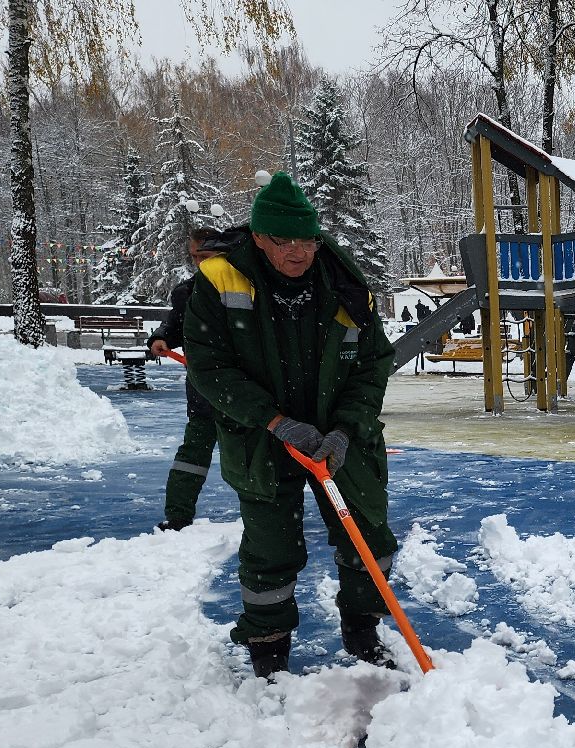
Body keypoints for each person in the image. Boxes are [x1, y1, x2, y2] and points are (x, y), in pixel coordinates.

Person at [183, 173, 399, 680]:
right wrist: (276, 423)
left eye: (307, 240)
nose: (298, 252)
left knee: (368, 535)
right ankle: (269, 651)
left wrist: (347, 429)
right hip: (262, 439)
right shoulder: (218, 281)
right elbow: (210, 368)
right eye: (283, 241)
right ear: (258, 237)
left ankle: (363, 633)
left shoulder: (345, 283)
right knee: (270, 547)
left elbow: (373, 364)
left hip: (339, 438)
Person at [151, 226, 241, 532]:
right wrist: (162, 336)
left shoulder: (241, 289)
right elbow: (176, 326)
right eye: (194, 257)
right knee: (192, 454)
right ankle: (177, 516)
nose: (199, 263)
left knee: (250, 458)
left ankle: (268, 518)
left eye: (204, 256)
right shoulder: (186, 293)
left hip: (243, 395)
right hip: (204, 394)